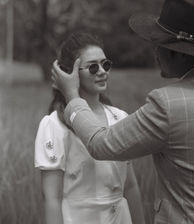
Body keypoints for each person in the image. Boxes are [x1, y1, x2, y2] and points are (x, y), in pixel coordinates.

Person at [51, 0, 194, 224]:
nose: (155, 53)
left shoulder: (168, 105)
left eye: (159, 44)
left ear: (177, 52)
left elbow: (100, 145)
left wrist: (72, 96)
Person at [34, 32, 145, 224]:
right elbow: (51, 199)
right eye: (93, 67)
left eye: (106, 64)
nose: (102, 71)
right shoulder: (54, 125)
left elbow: (131, 186)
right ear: (70, 73)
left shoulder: (119, 117)